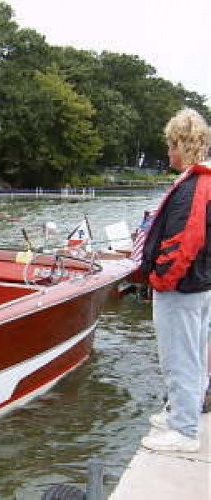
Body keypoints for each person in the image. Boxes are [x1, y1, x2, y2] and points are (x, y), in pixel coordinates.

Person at [139, 108, 211, 453]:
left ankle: (183, 430)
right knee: (193, 355)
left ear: (182, 145)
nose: (168, 153)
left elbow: (186, 241)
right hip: (197, 285)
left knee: (180, 358)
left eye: (171, 145)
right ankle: (181, 415)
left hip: (182, 288)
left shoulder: (195, 185)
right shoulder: (201, 182)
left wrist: (159, 278)